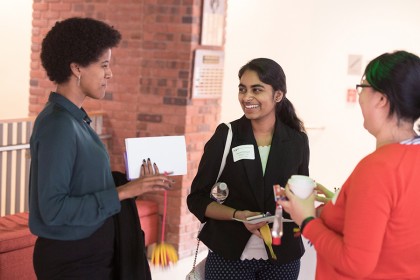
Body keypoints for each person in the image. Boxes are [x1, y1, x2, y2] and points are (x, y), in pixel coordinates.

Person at [29, 17, 173, 280]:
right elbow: (53, 209)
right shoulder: (58, 125)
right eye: (104, 65)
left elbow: (83, 186)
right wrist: (125, 191)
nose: (110, 73)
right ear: (76, 68)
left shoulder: (75, 120)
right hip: (73, 261)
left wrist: (132, 183)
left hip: (90, 254)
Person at [279, 50, 420, 279]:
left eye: (363, 87)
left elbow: (355, 263)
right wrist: (335, 204)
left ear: (381, 99)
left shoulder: (379, 168)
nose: (360, 96)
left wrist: (306, 221)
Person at [187, 58, 310, 280]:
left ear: (278, 95)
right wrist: (238, 216)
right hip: (229, 255)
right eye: (242, 89)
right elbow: (197, 199)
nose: (247, 97)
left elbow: (301, 198)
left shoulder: (297, 141)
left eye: (257, 90)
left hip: (283, 257)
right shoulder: (227, 135)